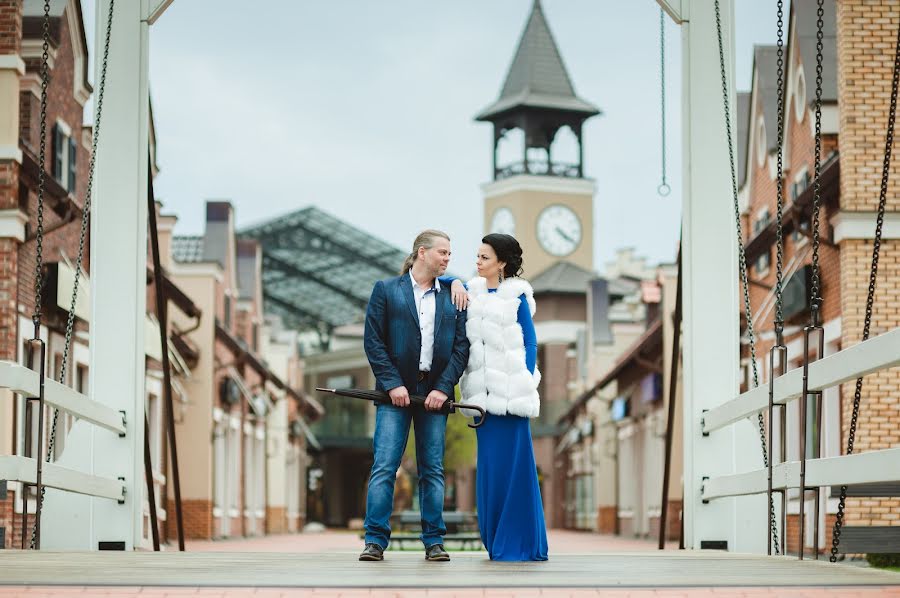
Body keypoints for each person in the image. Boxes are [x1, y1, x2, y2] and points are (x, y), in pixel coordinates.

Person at [359, 229, 469, 562]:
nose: (448, 258)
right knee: (384, 467)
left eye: (450, 254)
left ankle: (434, 541)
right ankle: (374, 541)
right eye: (443, 252)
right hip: (393, 394)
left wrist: (443, 387)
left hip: (434, 395)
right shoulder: (386, 290)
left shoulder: (454, 294)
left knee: (433, 470)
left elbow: (461, 347)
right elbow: (373, 341)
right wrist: (392, 384)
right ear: (422, 253)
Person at [450, 233, 549, 561]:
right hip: (482, 403)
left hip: (513, 401)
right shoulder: (470, 293)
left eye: (484, 258)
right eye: (477, 257)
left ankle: (520, 542)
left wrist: (522, 379)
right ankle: (496, 540)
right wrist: (452, 281)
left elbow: (531, 343)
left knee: (517, 472)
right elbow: (445, 281)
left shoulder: (517, 296)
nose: (477, 262)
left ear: (502, 263)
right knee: (490, 472)